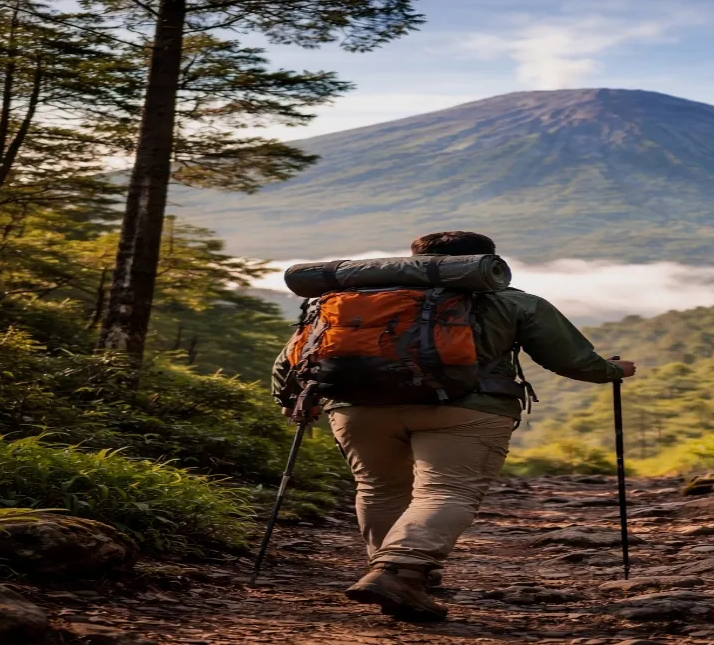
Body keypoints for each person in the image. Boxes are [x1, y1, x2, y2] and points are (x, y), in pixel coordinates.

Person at [270, 231, 636, 622]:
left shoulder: (347, 301)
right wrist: (611, 370)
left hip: (357, 408)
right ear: (484, 263)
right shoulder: (513, 302)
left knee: (378, 488)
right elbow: (571, 360)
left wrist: (291, 399)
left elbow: (290, 359)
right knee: (447, 490)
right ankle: (401, 571)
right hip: (467, 408)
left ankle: (393, 569)